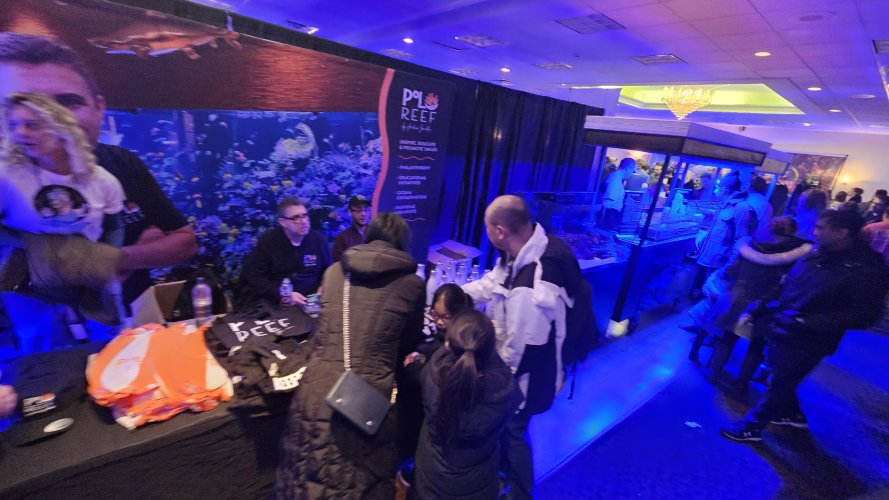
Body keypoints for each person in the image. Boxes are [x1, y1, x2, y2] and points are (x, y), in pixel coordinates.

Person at [0, 32, 198, 307]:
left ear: (99, 108)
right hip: (29, 323)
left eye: (67, 101)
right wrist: (141, 251)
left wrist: (111, 259)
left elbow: (185, 243)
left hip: (133, 311)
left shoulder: (120, 164)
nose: (53, 119)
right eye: (24, 105)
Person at [275, 212, 425, 499]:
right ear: (402, 242)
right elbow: (408, 345)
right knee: (354, 479)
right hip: (368, 392)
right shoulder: (413, 284)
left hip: (318, 384)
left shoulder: (334, 272)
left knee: (304, 471)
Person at [721, 210, 889, 442]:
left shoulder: (866, 269)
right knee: (781, 375)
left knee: (781, 382)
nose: (814, 232)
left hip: (812, 337)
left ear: (842, 232)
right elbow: (789, 284)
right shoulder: (819, 252)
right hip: (784, 325)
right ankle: (792, 413)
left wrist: (809, 322)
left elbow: (865, 314)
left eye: (820, 228)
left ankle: (752, 426)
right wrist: (762, 306)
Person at [462, 194, 582, 500]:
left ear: (500, 231)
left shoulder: (533, 284)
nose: (487, 233)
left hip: (530, 378)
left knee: (514, 431)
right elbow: (491, 284)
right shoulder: (523, 250)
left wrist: (491, 383)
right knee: (510, 430)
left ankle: (520, 493)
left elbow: (519, 352)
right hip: (523, 366)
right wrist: (453, 294)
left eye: (487, 227)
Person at [411, 310, 523, 500]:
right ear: (491, 349)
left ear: (448, 345)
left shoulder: (431, 375)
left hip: (432, 477)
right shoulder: (506, 390)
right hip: (478, 481)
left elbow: (436, 362)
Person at [702, 217, 812, 390]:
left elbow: (731, 272)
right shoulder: (798, 254)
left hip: (740, 297)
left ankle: (714, 373)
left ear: (769, 228)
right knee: (757, 344)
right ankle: (741, 386)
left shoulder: (751, 246)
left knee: (728, 336)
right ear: (792, 232)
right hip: (769, 304)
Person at [239, 198, 331, 308]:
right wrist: (283, 294)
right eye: (296, 218)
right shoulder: (268, 241)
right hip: (278, 300)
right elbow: (255, 277)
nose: (303, 221)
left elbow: (329, 270)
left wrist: (324, 286)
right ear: (283, 222)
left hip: (311, 299)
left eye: (305, 215)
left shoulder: (318, 239)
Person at [332, 195, 371, 262]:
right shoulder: (342, 238)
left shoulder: (377, 234)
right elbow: (337, 265)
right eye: (359, 210)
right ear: (350, 212)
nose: (363, 214)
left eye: (366, 210)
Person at [601, 158, 636, 229]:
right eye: (632, 170)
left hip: (609, 220)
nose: (632, 173)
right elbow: (608, 202)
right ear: (627, 168)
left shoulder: (617, 177)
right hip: (607, 222)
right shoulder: (615, 178)